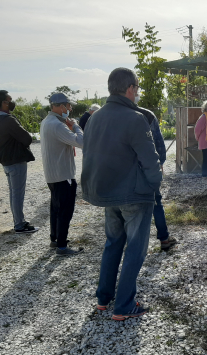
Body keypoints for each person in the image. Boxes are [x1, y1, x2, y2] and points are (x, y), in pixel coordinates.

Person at [81, 67, 162, 320]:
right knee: (135, 250)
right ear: (130, 88)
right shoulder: (135, 118)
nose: (137, 93)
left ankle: (104, 298)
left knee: (112, 244)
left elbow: (89, 155)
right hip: (134, 195)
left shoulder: (95, 117)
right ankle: (125, 305)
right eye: (136, 88)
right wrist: (155, 183)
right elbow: (150, 160)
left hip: (107, 193)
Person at [40, 93, 84, 255]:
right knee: (65, 210)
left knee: (56, 209)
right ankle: (62, 246)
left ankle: (55, 239)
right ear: (60, 106)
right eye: (68, 105)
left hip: (53, 174)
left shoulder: (46, 121)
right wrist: (76, 127)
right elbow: (81, 142)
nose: (70, 109)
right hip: (63, 174)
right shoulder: (58, 125)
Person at [0, 90, 39, 234]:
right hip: (16, 160)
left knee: (13, 193)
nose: (12, 102)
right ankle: (19, 225)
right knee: (18, 194)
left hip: (6, 161)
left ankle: (18, 221)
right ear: (4, 103)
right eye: (9, 100)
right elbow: (26, 138)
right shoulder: (9, 120)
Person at [134, 105, 178, 251]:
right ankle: (164, 239)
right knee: (155, 203)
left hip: (123, 171)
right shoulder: (147, 114)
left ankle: (133, 245)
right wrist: (159, 164)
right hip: (147, 169)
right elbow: (159, 145)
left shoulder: (109, 114)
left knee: (129, 207)